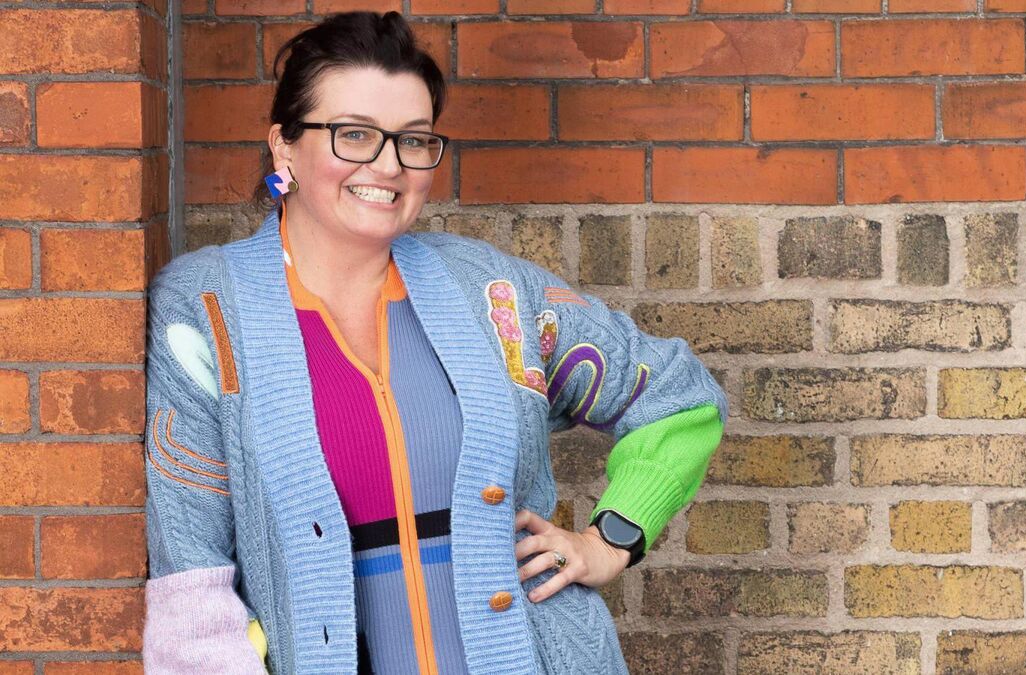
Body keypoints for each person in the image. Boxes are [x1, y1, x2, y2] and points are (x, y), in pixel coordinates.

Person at [142, 10, 727, 674]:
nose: (389, 165)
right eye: (354, 134)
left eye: (414, 140)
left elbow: (676, 395)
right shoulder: (206, 312)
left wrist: (611, 538)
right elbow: (192, 594)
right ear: (285, 147)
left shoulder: (491, 293)